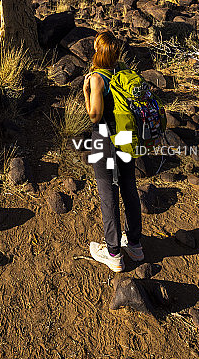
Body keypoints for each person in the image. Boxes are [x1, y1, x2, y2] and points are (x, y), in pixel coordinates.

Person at [83, 30, 143, 272]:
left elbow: (94, 115)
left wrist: (87, 93)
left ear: (98, 52)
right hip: (126, 136)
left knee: (107, 191)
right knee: (129, 186)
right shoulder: (123, 72)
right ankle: (135, 245)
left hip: (104, 140)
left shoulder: (97, 78)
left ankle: (113, 253)